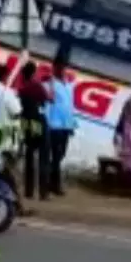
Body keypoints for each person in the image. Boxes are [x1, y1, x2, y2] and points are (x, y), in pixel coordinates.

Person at [16, 61, 52, 206]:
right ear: (34, 72)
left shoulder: (22, 88)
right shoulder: (37, 86)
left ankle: (29, 191)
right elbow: (49, 99)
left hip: (26, 123)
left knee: (29, 156)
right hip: (38, 122)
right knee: (43, 156)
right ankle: (43, 192)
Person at [45, 63, 76, 195]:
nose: (64, 72)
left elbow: (70, 107)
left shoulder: (69, 86)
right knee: (57, 154)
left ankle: (49, 179)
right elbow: (49, 100)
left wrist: (72, 124)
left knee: (61, 154)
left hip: (66, 125)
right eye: (62, 70)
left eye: (65, 70)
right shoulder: (51, 84)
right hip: (55, 125)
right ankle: (54, 185)